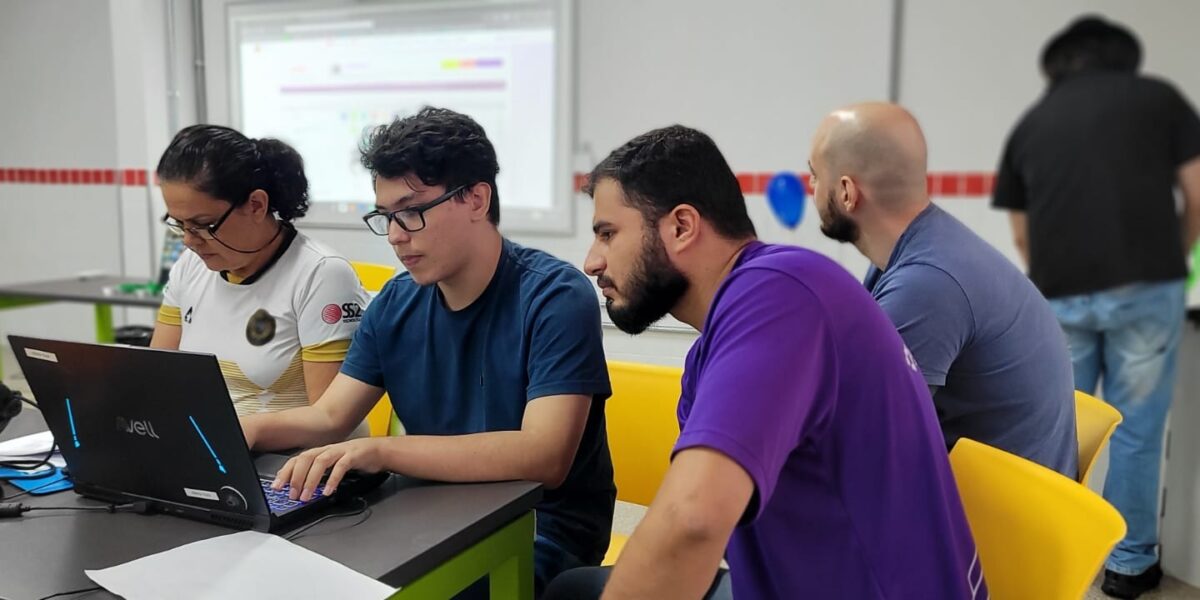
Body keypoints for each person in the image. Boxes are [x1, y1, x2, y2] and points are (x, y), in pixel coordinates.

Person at [545, 125, 983, 599]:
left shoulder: (779, 294)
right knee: (572, 590)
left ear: (682, 227)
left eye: (607, 234)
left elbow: (693, 518)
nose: (592, 262)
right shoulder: (733, 329)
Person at [240, 107, 616, 594]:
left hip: (539, 525)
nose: (397, 235)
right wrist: (248, 430)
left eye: (412, 211)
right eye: (386, 217)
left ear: (476, 199)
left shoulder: (554, 296)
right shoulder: (394, 304)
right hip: (431, 514)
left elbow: (543, 456)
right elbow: (330, 416)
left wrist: (381, 451)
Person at [994, 16, 1200, 599]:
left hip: (1059, 292)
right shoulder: (1159, 100)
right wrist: (1175, 255)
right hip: (1146, 288)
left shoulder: (1033, 121)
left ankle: (1056, 560)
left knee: (1060, 430)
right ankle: (1130, 567)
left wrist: (1057, 281)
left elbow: (1022, 230)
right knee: (1137, 429)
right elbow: (1198, 191)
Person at [808, 102, 1078, 477]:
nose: (812, 187)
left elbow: (860, 435)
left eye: (815, 175)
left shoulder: (926, 284)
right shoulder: (924, 251)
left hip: (997, 508)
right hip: (1012, 488)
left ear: (846, 192)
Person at [151, 125, 370, 420]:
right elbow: (159, 380)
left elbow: (329, 421)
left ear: (256, 205)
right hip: (209, 440)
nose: (189, 241)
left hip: (291, 449)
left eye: (203, 225)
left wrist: (243, 433)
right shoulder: (189, 267)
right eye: (179, 224)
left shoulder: (320, 275)